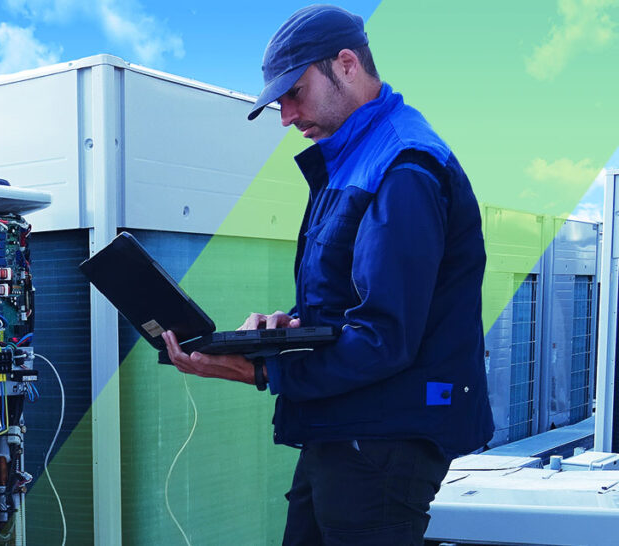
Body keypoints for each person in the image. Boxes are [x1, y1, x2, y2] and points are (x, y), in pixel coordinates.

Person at [162, 4, 494, 545]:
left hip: (384, 439)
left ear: (345, 64)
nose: (287, 116)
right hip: (347, 430)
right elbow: (347, 302)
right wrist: (283, 331)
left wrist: (263, 373)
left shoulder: (404, 167)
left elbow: (385, 337)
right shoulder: (357, 158)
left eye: (294, 92)